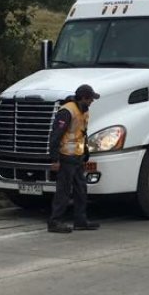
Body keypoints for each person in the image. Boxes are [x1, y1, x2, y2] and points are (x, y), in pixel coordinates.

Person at [47, 84, 102, 233]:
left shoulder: (83, 111)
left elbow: (81, 133)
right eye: (90, 99)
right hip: (65, 157)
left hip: (77, 157)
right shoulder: (67, 111)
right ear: (83, 98)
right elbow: (55, 136)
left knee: (81, 190)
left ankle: (80, 221)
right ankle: (55, 221)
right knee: (63, 192)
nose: (92, 102)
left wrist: (85, 151)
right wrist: (54, 159)